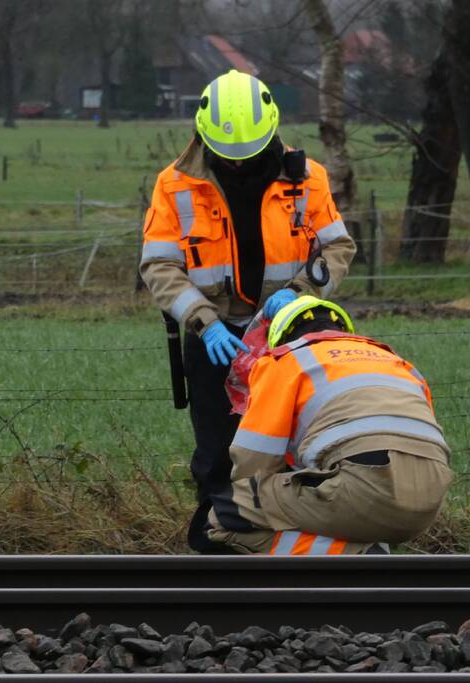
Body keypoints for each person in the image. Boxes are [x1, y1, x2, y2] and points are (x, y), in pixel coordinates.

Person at [139, 70, 356, 553]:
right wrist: (204, 322)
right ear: (202, 133)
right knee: (218, 450)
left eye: (250, 153)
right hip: (214, 335)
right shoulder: (174, 185)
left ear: (272, 130)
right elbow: (159, 266)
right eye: (228, 154)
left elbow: (338, 248)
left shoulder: (309, 179)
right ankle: (218, 540)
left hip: (288, 333)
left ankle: (289, 537)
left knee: (292, 444)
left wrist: (300, 292)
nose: (239, 163)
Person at [206, 296, 453, 555]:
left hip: (361, 490)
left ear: (282, 337)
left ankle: (357, 554)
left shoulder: (283, 360)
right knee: (317, 499)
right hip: (429, 497)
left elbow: (254, 463)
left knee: (228, 512)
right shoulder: (398, 363)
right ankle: (364, 548)